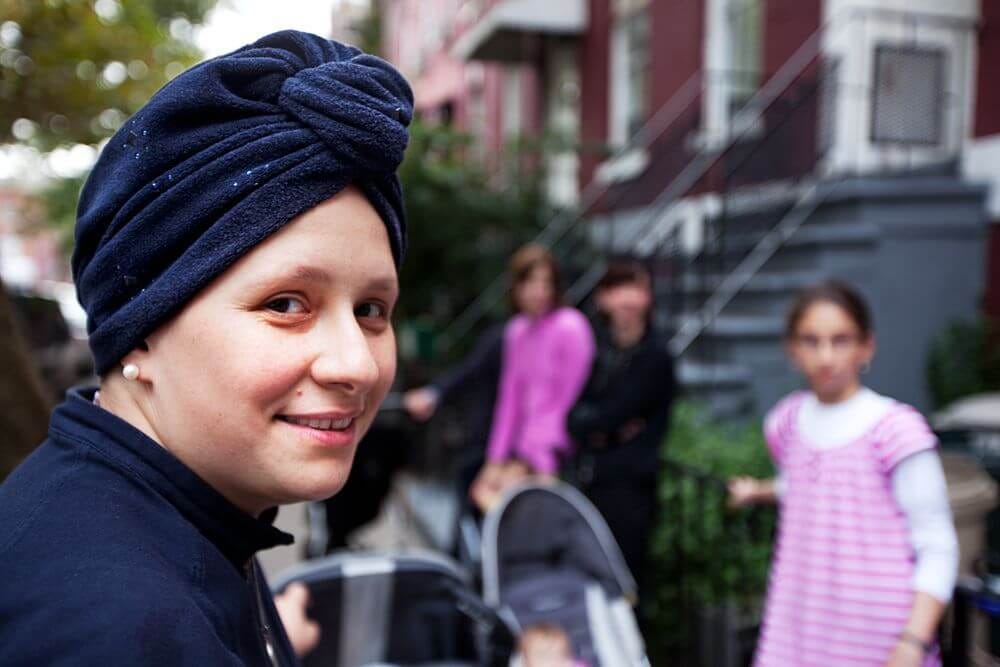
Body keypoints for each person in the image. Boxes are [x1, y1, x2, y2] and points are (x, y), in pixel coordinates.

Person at [0, 31, 413, 665]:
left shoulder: (156, 515)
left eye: (370, 310)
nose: (356, 364)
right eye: (285, 305)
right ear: (142, 326)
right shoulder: (123, 632)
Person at [728, 281, 959, 667]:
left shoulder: (895, 429)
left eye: (841, 340)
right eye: (811, 340)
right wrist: (758, 491)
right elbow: (806, 488)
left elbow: (937, 545)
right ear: (791, 348)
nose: (825, 356)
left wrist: (913, 641)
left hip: (878, 637)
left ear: (866, 346)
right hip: (796, 629)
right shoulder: (785, 422)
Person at [566, 259, 676, 593]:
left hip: (631, 486)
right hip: (591, 478)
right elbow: (575, 416)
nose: (627, 299)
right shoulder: (597, 348)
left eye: (636, 288)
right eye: (617, 288)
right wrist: (600, 426)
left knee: (624, 583)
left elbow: (609, 414)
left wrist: (599, 424)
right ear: (602, 298)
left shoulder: (656, 356)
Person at [469, 244, 595, 511]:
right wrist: (496, 458)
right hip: (524, 450)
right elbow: (510, 399)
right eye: (530, 282)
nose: (539, 292)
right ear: (516, 286)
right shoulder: (517, 330)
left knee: (525, 516)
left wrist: (537, 460)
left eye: (546, 283)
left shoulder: (571, 326)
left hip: (557, 451)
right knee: (482, 494)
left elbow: (570, 399)